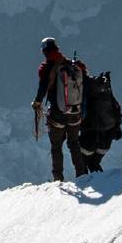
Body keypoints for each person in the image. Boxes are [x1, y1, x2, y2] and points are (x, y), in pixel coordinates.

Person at [34, 38, 90, 180]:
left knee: (56, 146)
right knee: (74, 143)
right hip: (75, 112)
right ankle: (82, 174)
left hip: (57, 114)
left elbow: (43, 87)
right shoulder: (72, 65)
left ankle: (58, 178)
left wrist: (37, 102)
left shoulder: (48, 67)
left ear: (44, 51)